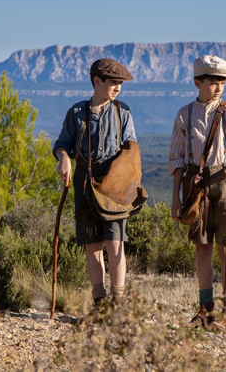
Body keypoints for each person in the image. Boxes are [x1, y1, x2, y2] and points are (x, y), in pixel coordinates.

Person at [168, 55, 226, 328]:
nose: (218, 87)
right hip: (196, 185)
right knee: (202, 249)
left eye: (222, 82)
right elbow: (177, 160)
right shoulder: (184, 114)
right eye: (213, 82)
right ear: (197, 82)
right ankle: (205, 313)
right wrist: (175, 199)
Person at [53, 58, 137, 305]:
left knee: (115, 241)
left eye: (120, 84)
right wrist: (65, 158)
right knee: (93, 243)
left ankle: (118, 303)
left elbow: (131, 149)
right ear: (97, 81)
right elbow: (61, 144)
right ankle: (100, 303)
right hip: (84, 180)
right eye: (113, 83)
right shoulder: (77, 113)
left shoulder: (123, 112)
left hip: (115, 182)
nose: (118, 88)